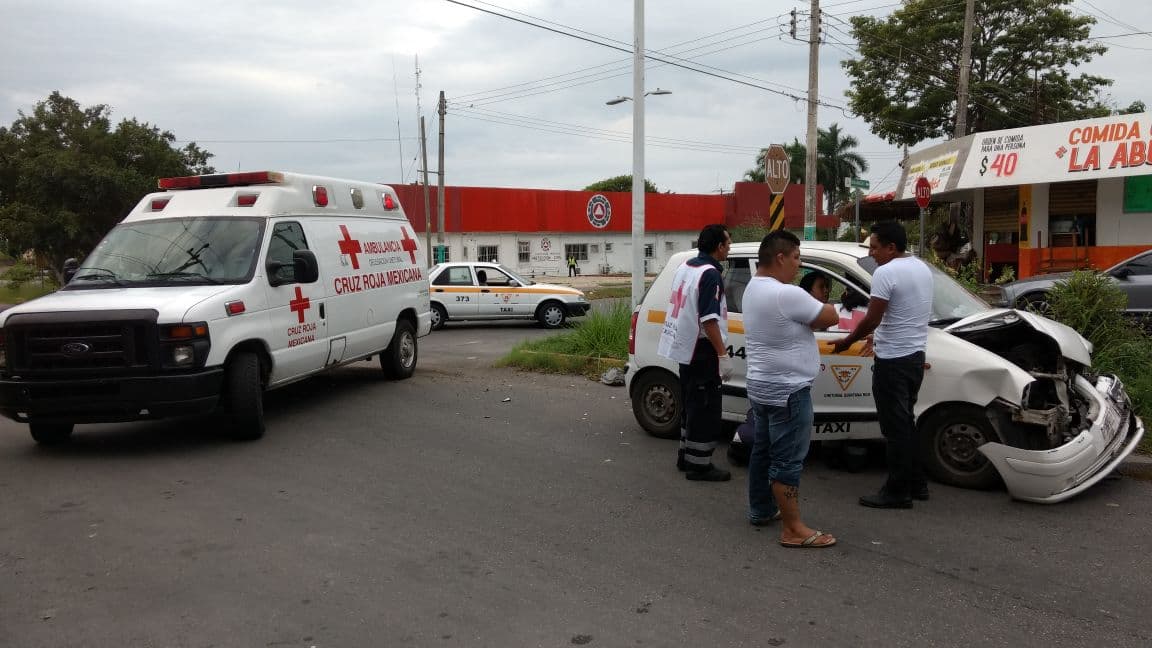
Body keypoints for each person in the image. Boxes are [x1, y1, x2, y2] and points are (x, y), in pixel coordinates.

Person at [743, 230, 839, 547]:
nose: (798, 265)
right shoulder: (786, 294)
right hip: (788, 390)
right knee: (787, 460)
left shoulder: (752, 288)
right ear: (781, 257)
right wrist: (821, 303)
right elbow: (829, 315)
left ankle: (760, 509)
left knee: (763, 451)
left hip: (762, 385)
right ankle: (793, 528)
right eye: (796, 258)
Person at [831, 221, 933, 509]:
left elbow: (873, 317)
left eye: (875, 248)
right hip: (914, 356)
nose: (872, 253)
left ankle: (897, 491)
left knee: (894, 428)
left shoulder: (886, 272)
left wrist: (847, 341)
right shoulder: (921, 268)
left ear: (891, 247)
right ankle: (917, 483)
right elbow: (902, 313)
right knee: (906, 422)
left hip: (893, 360)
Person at [657, 223, 733, 482]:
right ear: (719, 246)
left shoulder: (686, 267)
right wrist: (722, 355)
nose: (729, 248)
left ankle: (686, 456)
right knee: (705, 408)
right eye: (728, 243)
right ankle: (699, 465)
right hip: (702, 350)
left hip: (684, 347)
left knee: (691, 404)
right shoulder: (711, 274)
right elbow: (709, 319)